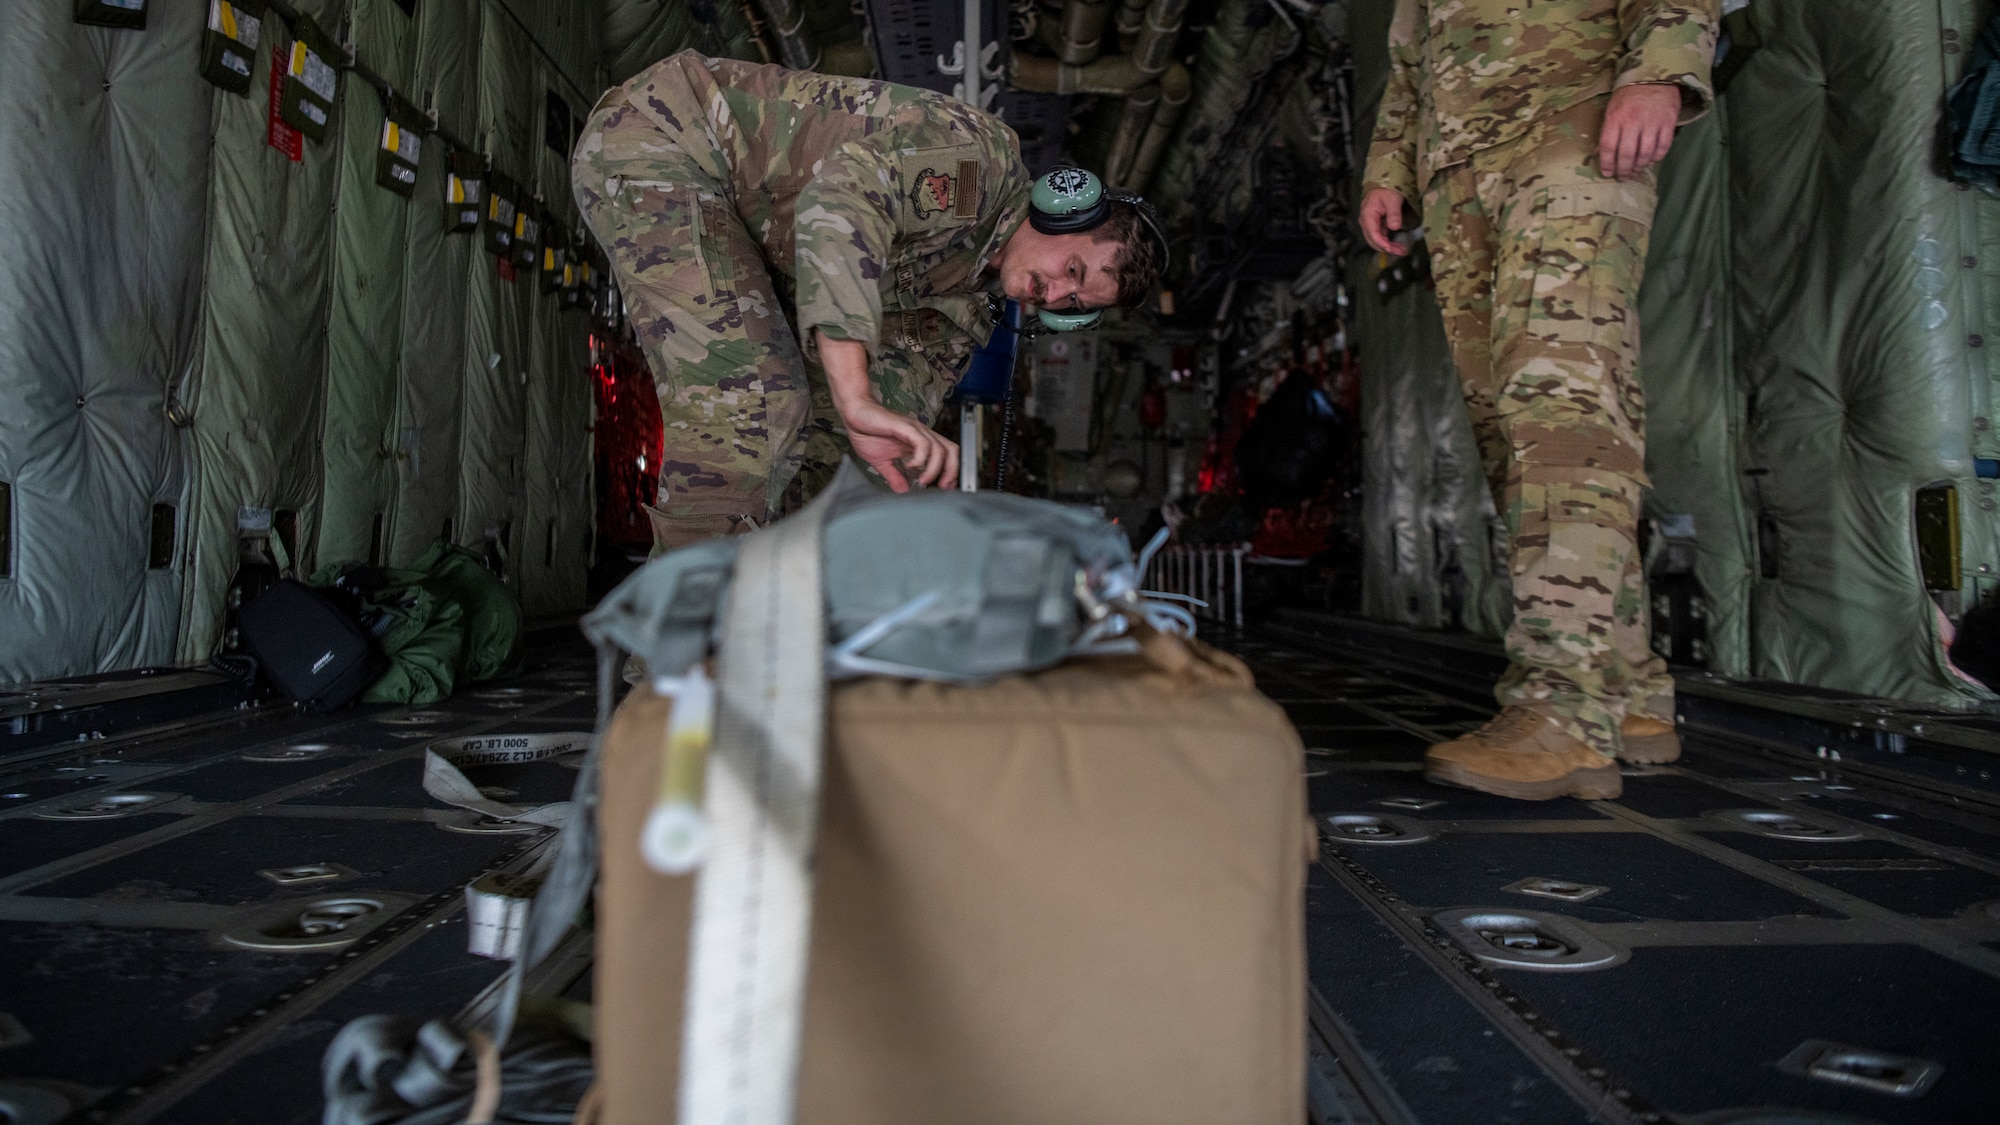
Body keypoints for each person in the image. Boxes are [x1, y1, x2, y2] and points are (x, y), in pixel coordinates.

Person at [573, 51, 1164, 551]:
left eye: (1073, 299)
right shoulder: (976, 167)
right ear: (1060, 210)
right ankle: (675, 676)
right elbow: (844, 204)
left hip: (726, 212)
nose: (1055, 292)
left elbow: (876, 428)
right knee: (757, 405)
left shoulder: (963, 311)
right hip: (668, 141)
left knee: (831, 465)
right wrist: (855, 397)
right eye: (1072, 268)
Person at [1357, 1, 1719, 799]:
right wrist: (1389, 167)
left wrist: (1660, 71)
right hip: (1457, 167)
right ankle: (1627, 686)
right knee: (1507, 426)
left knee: (1560, 407)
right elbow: (1411, 50)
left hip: (1573, 124)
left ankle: (1563, 708)